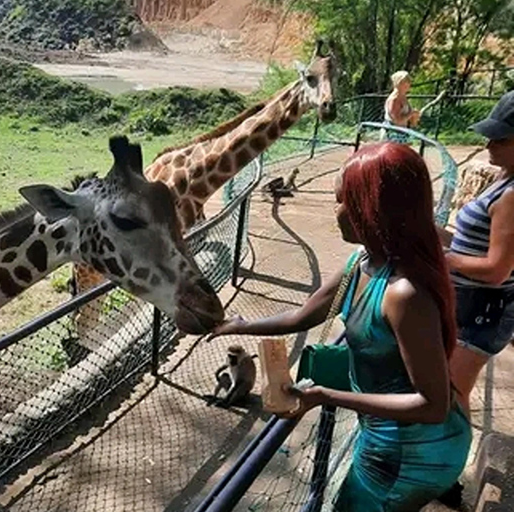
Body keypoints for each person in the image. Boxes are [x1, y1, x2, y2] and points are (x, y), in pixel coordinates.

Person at [212, 142, 471, 511]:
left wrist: (326, 396)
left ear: (372, 209)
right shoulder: (360, 263)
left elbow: (432, 405)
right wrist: (241, 325)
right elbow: (305, 316)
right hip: (385, 433)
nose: (334, 212)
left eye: (340, 201)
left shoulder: (403, 295)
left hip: (412, 449)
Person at [433, 91, 514, 506]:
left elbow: (497, 268)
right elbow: (474, 243)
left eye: (499, 139)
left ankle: (447, 480)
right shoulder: (502, 178)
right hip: (469, 305)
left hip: (484, 309)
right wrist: (438, 236)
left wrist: (445, 256)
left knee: (452, 394)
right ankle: (444, 470)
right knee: (451, 391)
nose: (488, 144)